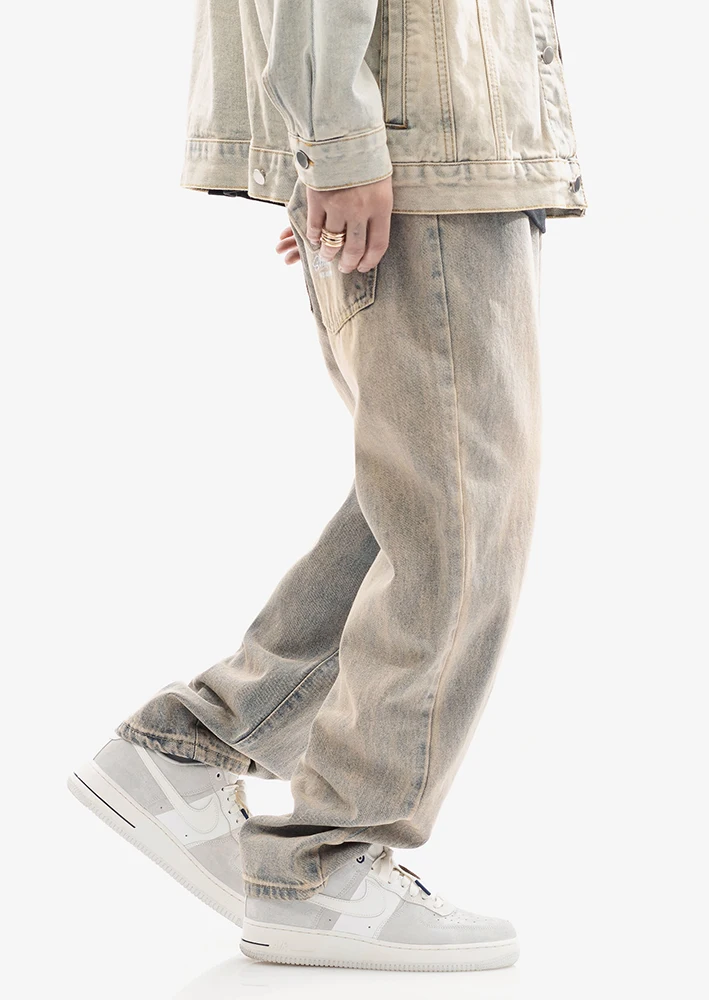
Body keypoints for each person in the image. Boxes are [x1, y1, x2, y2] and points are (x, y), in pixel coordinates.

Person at [68, 0, 586, 973]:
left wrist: (327, 146)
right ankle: (322, 863)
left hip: (437, 142)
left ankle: (190, 750)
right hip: (423, 143)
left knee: (431, 497)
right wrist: (338, 147)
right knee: (460, 505)